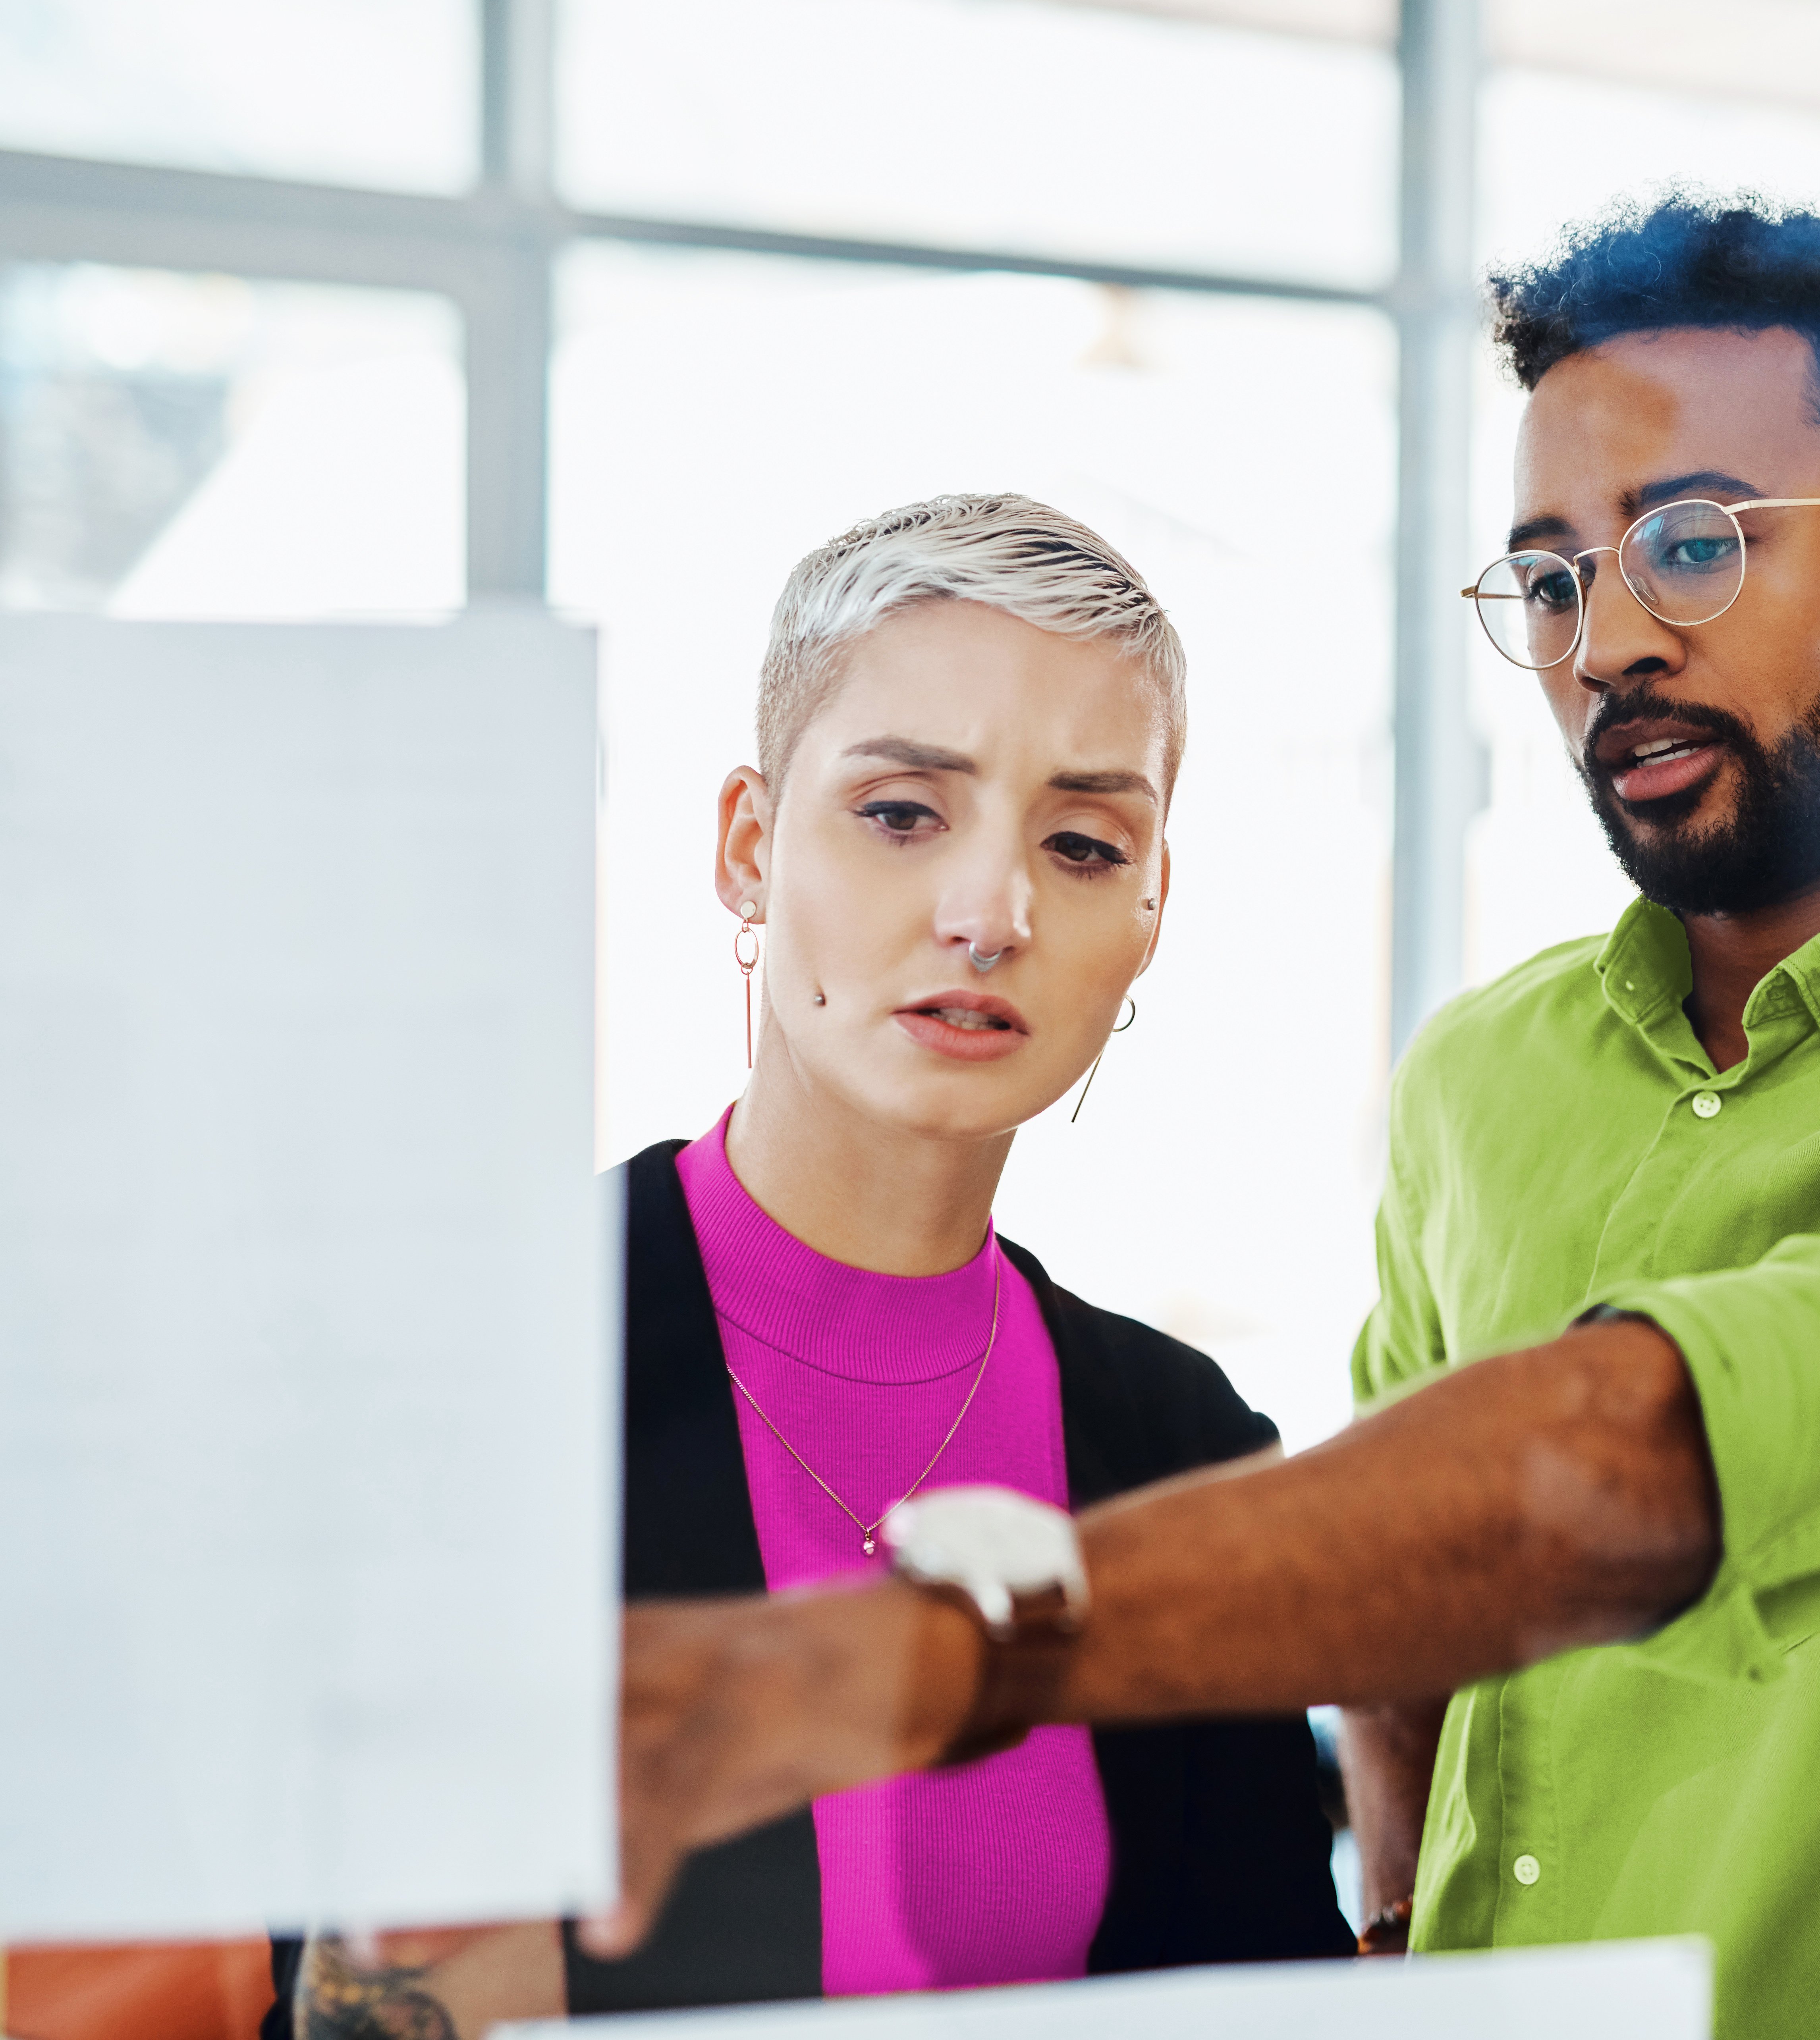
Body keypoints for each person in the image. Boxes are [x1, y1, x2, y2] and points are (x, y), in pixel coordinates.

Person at [594, 200, 1820, 2040]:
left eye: (1692, 544)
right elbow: (1407, 1630)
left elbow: (1647, 1465)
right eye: (1549, 578)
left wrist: (890, 1657)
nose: (1603, 637)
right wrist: (1392, 1928)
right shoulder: (1484, 1078)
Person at [271, 495, 1352, 2037]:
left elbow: (1257, 1998)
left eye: (1084, 840)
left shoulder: (1187, 1450)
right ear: (749, 845)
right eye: (904, 811)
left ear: (1152, 906)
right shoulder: (458, 1374)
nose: (993, 912)